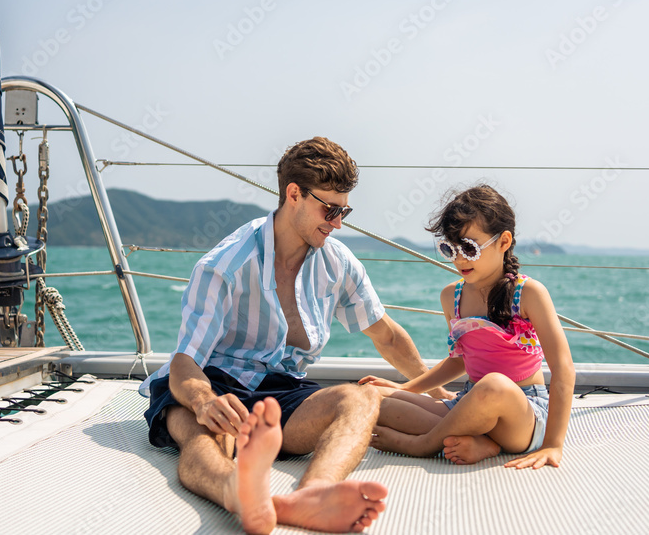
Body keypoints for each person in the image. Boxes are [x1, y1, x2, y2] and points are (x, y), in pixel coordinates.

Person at [140, 136, 448, 534]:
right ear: (294, 194)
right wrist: (203, 403)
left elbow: (385, 335)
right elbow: (186, 362)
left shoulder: (337, 262)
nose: (338, 223)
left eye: (345, 210)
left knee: (358, 397)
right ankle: (237, 492)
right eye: (330, 209)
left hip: (283, 390)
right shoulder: (226, 264)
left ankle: (312, 495)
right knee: (206, 435)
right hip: (212, 381)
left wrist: (437, 391)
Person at [359, 184, 575, 469]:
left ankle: (423, 444)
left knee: (495, 385)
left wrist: (553, 445)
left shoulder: (529, 294)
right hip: (468, 402)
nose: (459, 258)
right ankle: (482, 442)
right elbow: (460, 361)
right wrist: (406, 389)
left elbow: (563, 369)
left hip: (523, 416)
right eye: (450, 248)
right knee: (374, 400)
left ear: (503, 241)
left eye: (470, 248)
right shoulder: (452, 296)